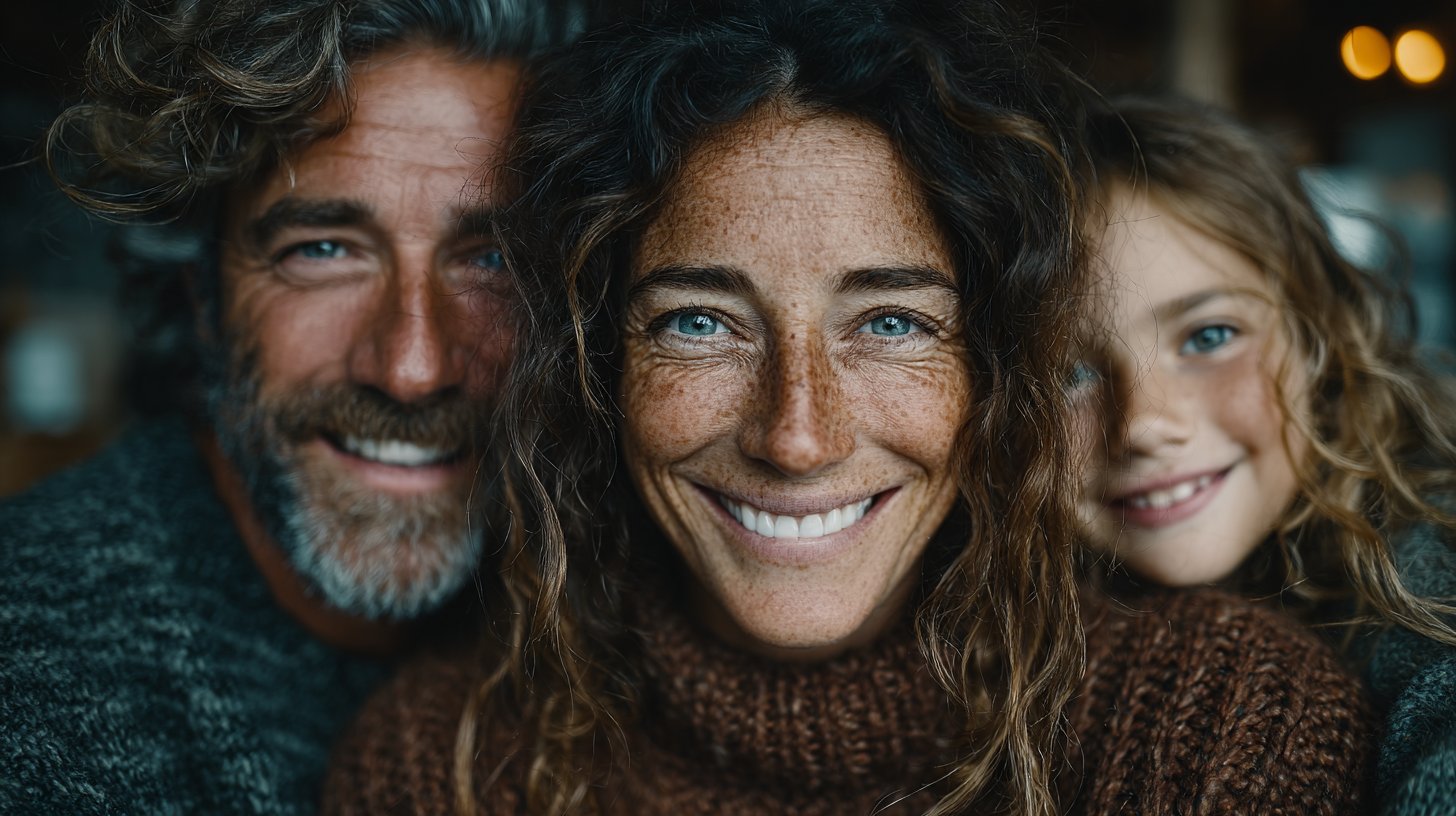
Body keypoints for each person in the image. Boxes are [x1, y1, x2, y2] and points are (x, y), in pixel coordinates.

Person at [324, 3, 1374, 813]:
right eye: (699, 323)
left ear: (997, 369)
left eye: (890, 324)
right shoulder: (442, 764)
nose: (797, 435)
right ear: (596, 367)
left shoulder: (1206, 716)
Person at [1, 0, 585, 812]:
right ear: (201, 291)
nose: (412, 368)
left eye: (493, 259)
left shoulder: (601, 613)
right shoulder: (28, 676)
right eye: (324, 250)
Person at [1073, 95, 1456, 813]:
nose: (1143, 424)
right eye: (1068, 373)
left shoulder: (1425, 574)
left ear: (1321, 339)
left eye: (1210, 336)